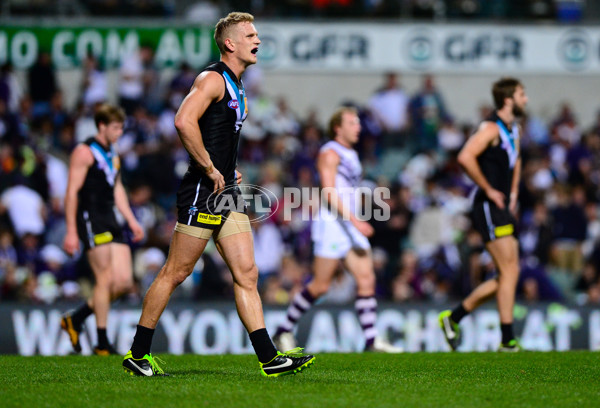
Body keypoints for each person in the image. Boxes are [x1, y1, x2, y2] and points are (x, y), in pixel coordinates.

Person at [122, 12, 315, 377]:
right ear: (230, 43)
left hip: (227, 189)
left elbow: (217, 135)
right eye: (251, 34)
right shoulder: (212, 79)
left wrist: (227, 169)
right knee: (175, 272)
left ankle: (269, 358)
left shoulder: (236, 84)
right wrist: (210, 168)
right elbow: (183, 120)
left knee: (247, 273)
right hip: (204, 190)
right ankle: (137, 352)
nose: (258, 40)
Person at [272, 107, 403, 353]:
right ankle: (282, 331)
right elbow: (329, 192)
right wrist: (357, 221)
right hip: (333, 224)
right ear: (337, 128)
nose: (358, 127)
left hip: (349, 224)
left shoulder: (350, 153)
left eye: (357, 123)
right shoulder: (330, 153)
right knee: (320, 285)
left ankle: (372, 340)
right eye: (352, 123)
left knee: (366, 279)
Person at [439, 77, 528, 352]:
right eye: (522, 94)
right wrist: (489, 189)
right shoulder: (491, 128)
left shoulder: (514, 129)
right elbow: (465, 156)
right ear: (508, 99)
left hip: (502, 205)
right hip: (488, 207)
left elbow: (517, 160)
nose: (526, 99)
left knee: (508, 273)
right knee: (509, 270)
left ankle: (453, 318)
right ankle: (507, 340)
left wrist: (513, 192)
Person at [61, 104, 144, 355]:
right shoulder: (84, 152)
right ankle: (101, 343)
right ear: (102, 126)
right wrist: (71, 230)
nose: (119, 133)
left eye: (121, 128)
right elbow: (72, 193)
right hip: (90, 217)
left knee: (124, 282)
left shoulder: (113, 153)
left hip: (110, 217)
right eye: (116, 128)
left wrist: (130, 219)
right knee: (105, 278)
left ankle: (76, 318)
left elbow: (117, 188)